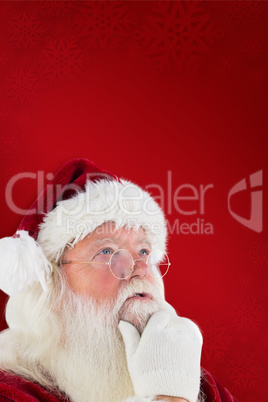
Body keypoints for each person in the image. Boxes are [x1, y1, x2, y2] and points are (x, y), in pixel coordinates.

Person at [0, 159, 237, 402]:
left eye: (144, 251)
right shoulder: (11, 393)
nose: (142, 268)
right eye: (107, 251)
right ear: (49, 288)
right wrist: (167, 398)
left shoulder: (199, 386)